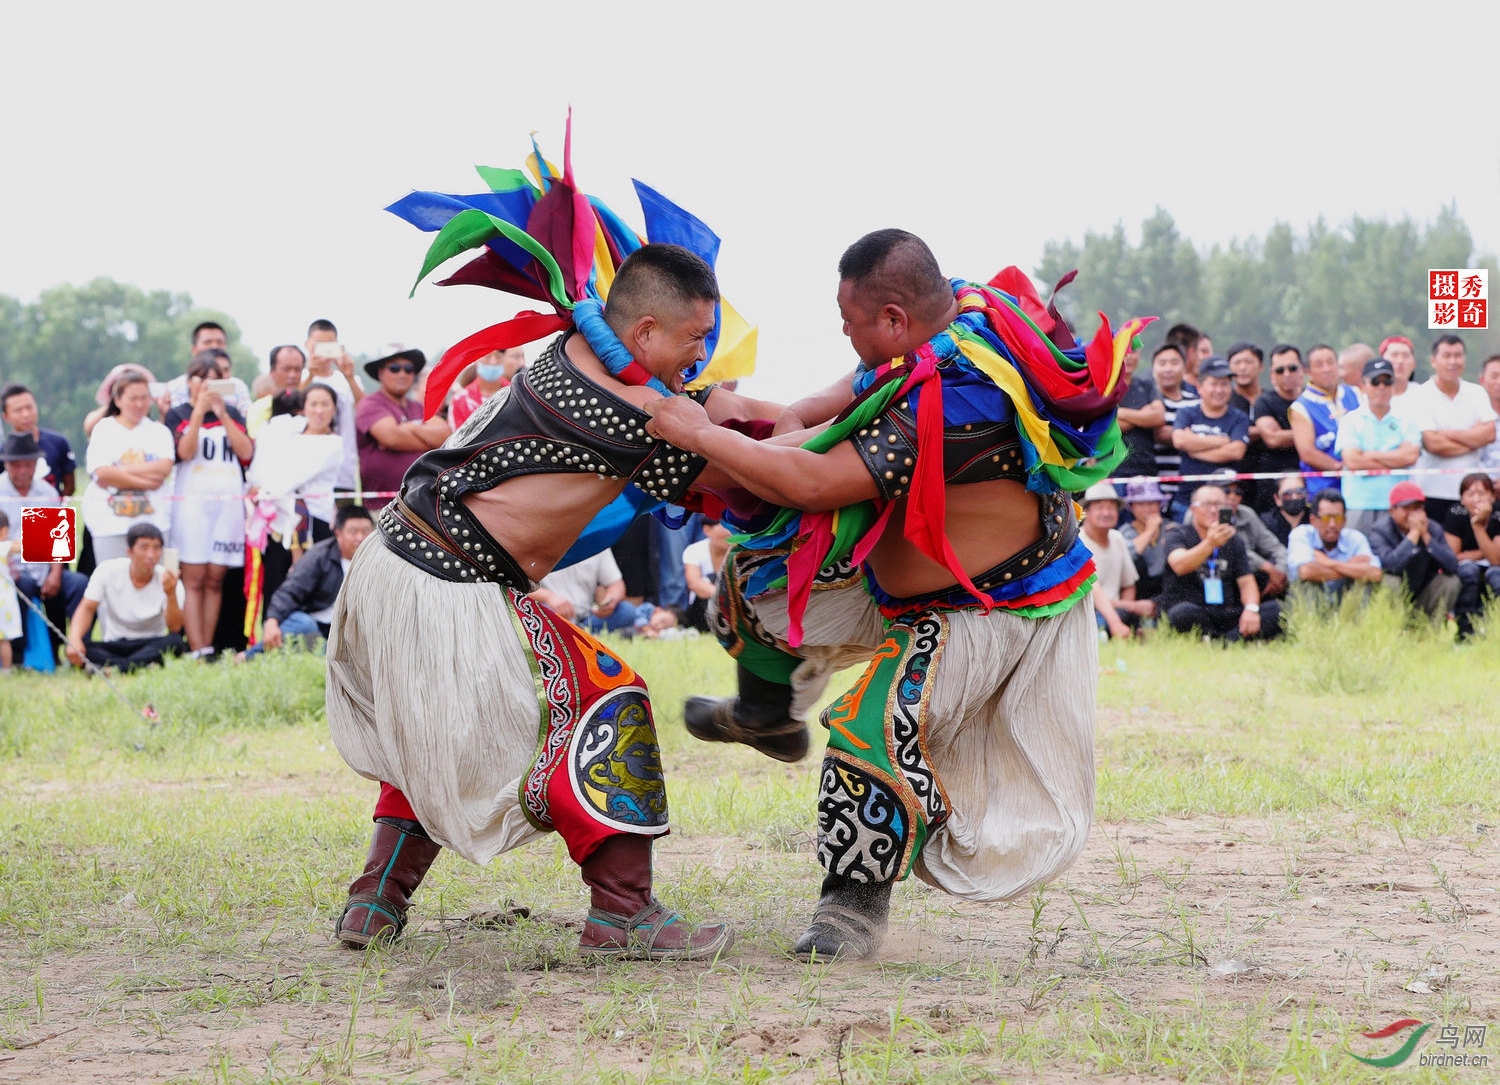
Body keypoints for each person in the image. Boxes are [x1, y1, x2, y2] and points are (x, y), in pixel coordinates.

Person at [643, 230, 1130, 960]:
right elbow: (841, 396)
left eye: (853, 323)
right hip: (899, 581)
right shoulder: (961, 314)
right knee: (757, 573)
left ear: (896, 318)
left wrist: (702, 434)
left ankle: (851, 907)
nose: (846, 334)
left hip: (988, 607)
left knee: (875, 723)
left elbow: (811, 480)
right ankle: (767, 713)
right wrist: (784, 414)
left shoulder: (961, 398)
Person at [326, 243, 761, 959]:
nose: (702, 354)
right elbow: (758, 459)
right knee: (607, 696)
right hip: (442, 579)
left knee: (441, 727)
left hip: (399, 564)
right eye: (695, 339)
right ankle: (623, 912)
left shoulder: (572, 352)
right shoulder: (634, 409)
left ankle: (376, 898)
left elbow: (748, 415)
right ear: (645, 332)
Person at [163, 358, 254, 654]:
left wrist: (222, 414)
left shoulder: (233, 413)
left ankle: (208, 646)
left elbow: (245, 452)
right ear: (189, 381)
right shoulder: (178, 415)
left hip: (227, 506)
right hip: (191, 504)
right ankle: (197, 647)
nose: (206, 386)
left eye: (213, 380)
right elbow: (185, 452)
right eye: (200, 379)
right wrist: (200, 411)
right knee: (194, 578)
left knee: (215, 578)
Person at [245, 383, 345, 623]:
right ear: (304, 408)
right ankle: (271, 636)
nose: (319, 411)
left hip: (313, 524)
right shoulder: (290, 433)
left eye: (325, 404)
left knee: (307, 584)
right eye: (313, 404)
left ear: (334, 410)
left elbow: (292, 477)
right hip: (279, 522)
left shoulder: (333, 444)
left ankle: (305, 638)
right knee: (276, 582)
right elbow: (268, 456)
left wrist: (265, 490)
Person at [1157, 483, 1280, 641]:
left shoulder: (1234, 541)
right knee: (1181, 614)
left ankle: (1221, 640)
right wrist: (1210, 543)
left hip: (1225, 612)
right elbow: (1179, 565)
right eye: (1207, 505)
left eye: (1219, 505)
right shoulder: (1177, 534)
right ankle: (1232, 640)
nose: (1214, 510)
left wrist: (1251, 609)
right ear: (1193, 509)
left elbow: (1246, 583)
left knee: (1274, 610)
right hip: (1194, 610)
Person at [0, 434, 88, 650]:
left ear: (35, 464)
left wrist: (56, 574)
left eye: (28, 465)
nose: (22, 471)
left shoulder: (47, 492)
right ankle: (21, 653)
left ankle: (78, 649)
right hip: (9, 571)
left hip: (44, 566)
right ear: (6, 464)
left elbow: (59, 541)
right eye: (16, 465)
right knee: (20, 587)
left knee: (79, 585)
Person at [250, 506, 374, 655]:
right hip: (315, 626)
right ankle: (248, 656)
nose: (360, 538)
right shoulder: (319, 556)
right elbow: (290, 590)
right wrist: (272, 621)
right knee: (302, 625)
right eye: (353, 532)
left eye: (366, 531)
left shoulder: (378, 562)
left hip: (350, 634)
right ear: (338, 533)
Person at [81, 370, 175, 563]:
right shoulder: (104, 429)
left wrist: (120, 471)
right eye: (133, 398)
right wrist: (147, 482)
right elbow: (102, 472)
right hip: (110, 525)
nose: (139, 404)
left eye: (144, 398)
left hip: (153, 523)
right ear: (117, 400)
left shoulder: (159, 432)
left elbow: (164, 468)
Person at [65, 523, 185, 672]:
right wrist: (74, 638)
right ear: (130, 551)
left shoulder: (169, 580)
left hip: (150, 641)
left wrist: (170, 594)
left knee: (175, 642)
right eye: (144, 548)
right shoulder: (107, 570)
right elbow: (87, 607)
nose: (151, 555)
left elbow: (174, 627)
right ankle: (141, 665)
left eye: (156, 548)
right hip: (116, 643)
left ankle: (114, 669)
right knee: (84, 648)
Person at [1409, 335, 1497, 523]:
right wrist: (1473, 439)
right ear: (1434, 360)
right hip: (1433, 491)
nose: (1453, 361)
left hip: (1472, 493)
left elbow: (1489, 433)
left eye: (1458, 356)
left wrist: (1449, 434)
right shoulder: (1421, 395)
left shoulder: (1476, 392)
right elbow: (1433, 444)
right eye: (1447, 356)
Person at [1335, 357, 1422, 533]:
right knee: (1359, 558)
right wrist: (1395, 456)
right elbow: (1352, 461)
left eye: (1387, 381)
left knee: (1397, 559)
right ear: (1364, 385)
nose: (1381, 387)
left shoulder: (1407, 419)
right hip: (1358, 503)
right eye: (1375, 382)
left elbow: (1410, 457)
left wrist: (1370, 455)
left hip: (1397, 504)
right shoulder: (1351, 420)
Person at [354, 346, 451, 499]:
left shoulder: (420, 407)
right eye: (394, 368)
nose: (402, 374)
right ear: (380, 373)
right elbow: (391, 437)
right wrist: (429, 440)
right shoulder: (370, 403)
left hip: (421, 506)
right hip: (382, 508)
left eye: (408, 369)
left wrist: (410, 428)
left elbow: (446, 435)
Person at [1366, 481, 1460, 625]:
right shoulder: (1380, 531)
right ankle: (1394, 630)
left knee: (1451, 581)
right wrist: (1413, 536)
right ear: (1392, 511)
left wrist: (1427, 539)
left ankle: (1431, 632)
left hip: (1423, 593)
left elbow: (1452, 565)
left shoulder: (1432, 528)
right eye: (1406, 509)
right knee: (1390, 581)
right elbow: (1391, 565)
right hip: (1394, 595)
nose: (1412, 515)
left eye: (1416, 508)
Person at [1170, 356, 1249, 506]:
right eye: (1214, 384)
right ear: (1199, 386)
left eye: (1225, 384)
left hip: (1225, 504)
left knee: (1224, 529)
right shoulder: (1186, 413)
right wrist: (1221, 441)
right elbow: (1180, 440)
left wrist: (1194, 449)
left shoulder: (1239, 417)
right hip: (1187, 502)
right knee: (1187, 529)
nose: (1219, 390)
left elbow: (1236, 451)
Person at [1287, 489, 1383, 604]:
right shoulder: (1302, 534)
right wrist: (1350, 567)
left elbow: (1375, 573)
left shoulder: (1355, 538)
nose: (1332, 524)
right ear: (1313, 520)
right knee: (1307, 584)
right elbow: (1306, 571)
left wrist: (1329, 563)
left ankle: (1357, 622)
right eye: (1326, 518)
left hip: (1344, 601)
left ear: (1344, 520)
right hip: (1311, 604)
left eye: (1337, 518)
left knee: (1364, 582)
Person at [1079, 482, 1150, 637]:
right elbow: (1092, 590)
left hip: (1114, 611)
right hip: (1085, 612)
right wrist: (1119, 618)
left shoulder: (1117, 538)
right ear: (1086, 512)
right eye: (1099, 508)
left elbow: (1128, 585)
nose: (1106, 513)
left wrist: (1126, 612)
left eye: (1111, 508)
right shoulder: (1078, 541)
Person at [1288, 344, 1359, 497]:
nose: (1327, 369)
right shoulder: (1301, 407)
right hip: (1324, 489)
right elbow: (1307, 452)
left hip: (1359, 484)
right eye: (1319, 365)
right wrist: (1340, 467)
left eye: (1330, 362)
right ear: (1308, 371)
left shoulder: (1355, 393)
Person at [302, 320, 365, 493]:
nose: (323, 350)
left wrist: (350, 377)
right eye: (318, 344)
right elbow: (293, 409)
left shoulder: (347, 379)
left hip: (343, 470)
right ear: (307, 345)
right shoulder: (300, 378)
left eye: (329, 345)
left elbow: (365, 410)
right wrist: (309, 376)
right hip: (307, 470)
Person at [531, 550, 649, 635]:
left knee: (627, 611)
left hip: (587, 618)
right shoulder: (540, 541)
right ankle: (582, 635)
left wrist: (610, 600)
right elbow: (518, 587)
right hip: (551, 613)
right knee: (545, 615)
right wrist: (549, 597)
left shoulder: (596, 541)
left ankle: (577, 634)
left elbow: (616, 584)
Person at [1442, 472, 1500, 638]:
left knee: (1495, 575)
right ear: (1462, 499)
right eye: (1470, 494)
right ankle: (1466, 632)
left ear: (1492, 497)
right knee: (1468, 572)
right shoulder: (1455, 513)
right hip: (1466, 566)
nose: (1476, 499)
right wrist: (1485, 552)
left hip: (1493, 566)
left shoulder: (1498, 513)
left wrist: (1478, 527)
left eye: (1482, 493)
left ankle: (1494, 628)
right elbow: (1453, 556)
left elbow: (1496, 560)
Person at [1249, 345, 1306, 512]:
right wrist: (1310, 433)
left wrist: (1285, 435)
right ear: (1272, 375)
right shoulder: (1264, 402)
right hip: (1271, 482)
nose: (1287, 374)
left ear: (1302, 370)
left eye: (1292, 368)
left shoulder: (1311, 399)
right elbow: (1272, 439)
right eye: (1280, 370)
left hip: (1308, 477)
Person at [1150, 342, 1199, 519]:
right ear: (1153, 368)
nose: (1168, 368)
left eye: (1174, 362)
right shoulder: (1149, 401)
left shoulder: (1196, 402)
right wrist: (1187, 437)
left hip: (1188, 490)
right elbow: (1160, 433)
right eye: (1162, 363)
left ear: (1184, 366)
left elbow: (1202, 434)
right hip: (1155, 488)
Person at [0, 384, 76, 495]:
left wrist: (55, 508)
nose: (26, 414)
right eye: (18, 410)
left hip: (49, 509)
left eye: (29, 407)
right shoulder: (3, 452)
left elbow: (70, 485)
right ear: (5, 416)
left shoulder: (59, 443)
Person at [1221, 475, 1288, 599]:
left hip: (1250, 574)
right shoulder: (1209, 514)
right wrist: (1266, 567)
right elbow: (1228, 547)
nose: (1232, 497)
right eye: (1226, 491)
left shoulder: (1246, 513)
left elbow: (1275, 547)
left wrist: (1280, 572)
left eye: (1238, 492)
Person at [1114, 342, 1164, 481]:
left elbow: (1159, 417)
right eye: (1123, 350)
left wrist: (1119, 413)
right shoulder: (1104, 388)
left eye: (1133, 351)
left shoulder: (1147, 386)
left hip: (1146, 470)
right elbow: (1109, 426)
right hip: (1111, 470)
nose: (1128, 356)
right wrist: (1143, 416)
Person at [1119, 477, 1169, 603]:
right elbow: (1126, 556)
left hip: (1165, 589)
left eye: (1152, 503)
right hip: (1138, 590)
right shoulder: (1126, 531)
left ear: (1159, 505)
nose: (1147, 509)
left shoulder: (1170, 528)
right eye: (1141, 504)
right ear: (1132, 507)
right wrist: (1150, 531)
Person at [449, 347, 525, 428]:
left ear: (503, 358)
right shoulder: (461, 400)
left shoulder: (515, 393)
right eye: (487, 357)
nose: (493, 362)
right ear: (476, 359)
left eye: (498, 356)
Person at [246, 345, 309, 437]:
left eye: (297, 369)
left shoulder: (311, 404)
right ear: (272, 371)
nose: (292, 375)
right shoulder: (259, 408)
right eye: (286, 369)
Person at [1261, 472, 1310, 547]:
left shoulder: (1316, 520)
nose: (1294, 497)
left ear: (1307, 495)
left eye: (1300, 492)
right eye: (1287, 494)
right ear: (1277, 499)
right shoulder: (1265, 523)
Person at [1381, 335, 1419, 411]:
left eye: (1406, 356)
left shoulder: (1423, 396)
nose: (1400, 361)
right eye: (1394, 355)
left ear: (1414, 364)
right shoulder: (1369, 397)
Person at [1225, 341, 1263, 415]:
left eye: (1249, 362)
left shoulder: (1272, 400)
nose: (1242, 368)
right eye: (1237, 362)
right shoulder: (1224, 401)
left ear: (1261, 366)